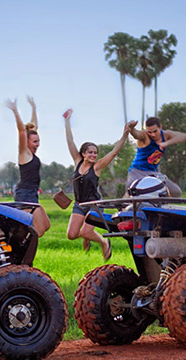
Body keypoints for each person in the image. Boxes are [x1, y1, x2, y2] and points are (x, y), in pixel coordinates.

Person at [64, 109, 133, 260]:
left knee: (86, 232)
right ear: (83, 154)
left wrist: (125, 135)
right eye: (90, 152)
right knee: (71, 235)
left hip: (94, 204)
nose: (94, 155)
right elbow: (70, 141)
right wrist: (67, 121)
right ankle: (87, 237)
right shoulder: (77, 162)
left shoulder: (97, 167)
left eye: (95, 152)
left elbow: (114, 153)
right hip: (79, 204)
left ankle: (104, 242)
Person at [6, 97, 50, 238]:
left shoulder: (31, 152)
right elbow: (22, 131)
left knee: (46, 225)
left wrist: (34, 108)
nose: (38, 144)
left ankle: (19, 234)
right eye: (35, 142)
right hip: (25, 194)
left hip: (31, 193)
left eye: (39, 141)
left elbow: (33, 127)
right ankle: (16, 242)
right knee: (39, 230)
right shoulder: (24, 153)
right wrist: (15, 111)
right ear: (28, 142)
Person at [126, 116, 186, 197]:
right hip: (137, 171)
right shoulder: (145, 136)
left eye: (155, 131)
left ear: (160, 127)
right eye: (150, 132)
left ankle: (160, 206)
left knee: (176, 192)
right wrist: (131, 128)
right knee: (132, 194)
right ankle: (122, 207)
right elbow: (136, 134)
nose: (153, 134)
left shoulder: (165, 135)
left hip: (153, 173)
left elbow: (184, 136)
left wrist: (166, 143)